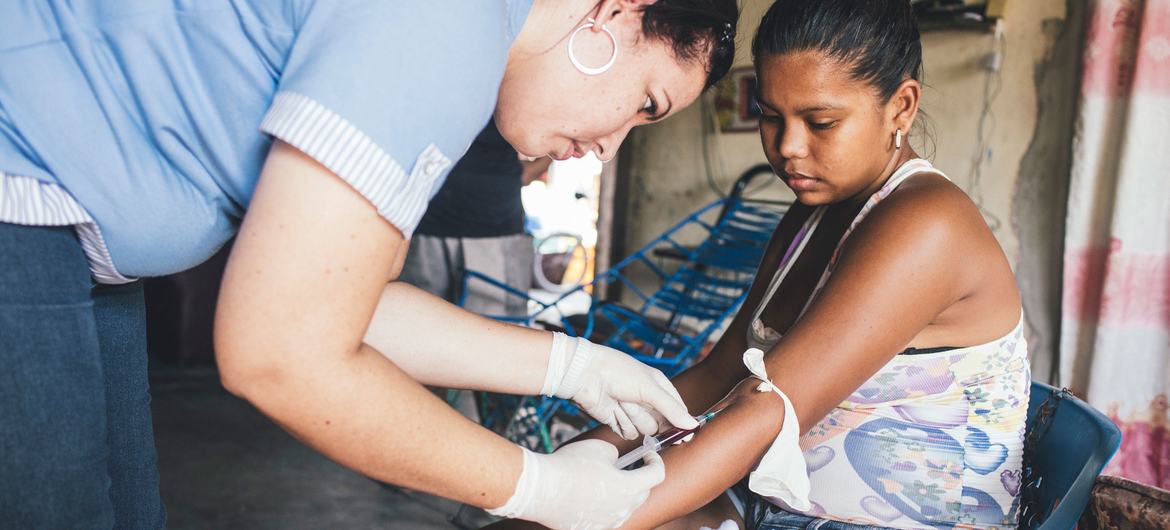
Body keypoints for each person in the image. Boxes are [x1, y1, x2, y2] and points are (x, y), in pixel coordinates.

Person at [0, 1, 739, 529]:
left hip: (81, 242)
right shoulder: (443, 32)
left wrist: (574, 367)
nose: (609, 147)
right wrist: (536, 487)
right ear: (617, 13)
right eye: (645, 103)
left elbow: (345, 301)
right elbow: (280, 354)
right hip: (23, 194)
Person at [486, 0, 1029, 529]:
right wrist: (554, 477)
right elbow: (717, 378)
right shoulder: (812, 215)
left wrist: (576, 514)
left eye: (821, 122)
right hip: (777, 507)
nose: (788, 146)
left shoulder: (929, 224)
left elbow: (766, 410)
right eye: (771, 116)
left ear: (901, 107)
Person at [400, 119, 547, 319]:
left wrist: (533, 168)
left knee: (497, 329)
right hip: (429, 226)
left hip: (492, 230)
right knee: (413, 324)